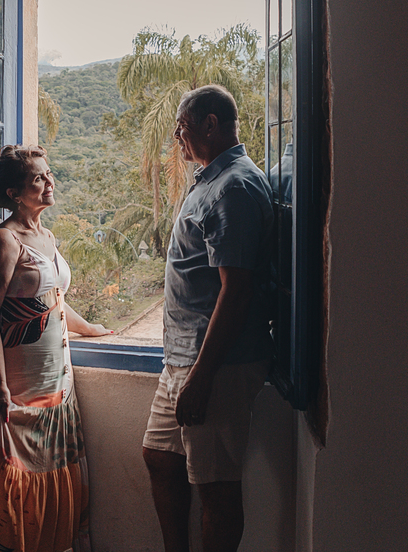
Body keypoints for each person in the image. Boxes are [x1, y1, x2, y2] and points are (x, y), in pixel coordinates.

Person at [141, 85, 274, 552]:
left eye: (182, 127)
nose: (177, 137)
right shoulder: (211, 178)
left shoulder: (233, 188)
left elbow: (236, 292)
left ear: (210, 125)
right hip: (183, 358)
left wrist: (202, 377)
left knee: (215, 488)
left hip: (215, 365)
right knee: (159, 456)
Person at [0, 144, 112, 552]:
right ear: (14, 193)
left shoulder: (47, 237)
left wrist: (90, 328)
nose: (50, 182)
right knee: (13, 486)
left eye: (48, 174)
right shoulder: (4, 241)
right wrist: (0, 387)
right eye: (39, 178)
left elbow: (53, 303)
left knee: (56, 478)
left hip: (57, 386)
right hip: (19, 387)